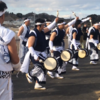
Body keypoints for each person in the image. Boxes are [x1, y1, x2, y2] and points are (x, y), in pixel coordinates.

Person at [20, 17, 59, 90]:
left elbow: (49, 28)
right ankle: (30, 74)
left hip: (41, 53)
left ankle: (37, 84)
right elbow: (30, 46)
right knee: (39, 67)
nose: (44, 27)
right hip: (34, 53)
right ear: (38, 25)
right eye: (43, 25)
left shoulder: (42, 31)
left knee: (44, 68)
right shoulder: (33, 33)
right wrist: (35, 55)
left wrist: (55, 22)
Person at [0, 1, 21, 100]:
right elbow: (15, 60)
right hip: (2, 77)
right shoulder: (6, 33)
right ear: (2, 16)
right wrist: (18, 68)